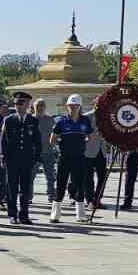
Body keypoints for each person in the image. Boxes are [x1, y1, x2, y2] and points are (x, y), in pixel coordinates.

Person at [50, 94, 94, 223]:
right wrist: (61, 146)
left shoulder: (85, 121)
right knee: (61, 184)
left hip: (79, 157)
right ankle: (55, 215)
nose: (73, 108)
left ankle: (80, 215)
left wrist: (82, 144)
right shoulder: (61, 121)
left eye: (75, 106)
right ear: (67, 107)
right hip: (64, 157)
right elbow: (52, 139)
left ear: (79, 107)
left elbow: (90, 137)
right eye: (70, 106)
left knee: (79, 185)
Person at [0, 91, 42, 224]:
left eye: (21, 103)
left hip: (27, 160)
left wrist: (37, 158)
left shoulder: (33, 120)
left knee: (25, 188)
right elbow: (4, 141)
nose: (18, 106)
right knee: (12, 187)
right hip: (12, 159)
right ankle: (12, 214)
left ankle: (24, 214)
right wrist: (3, 157)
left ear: (27, 105)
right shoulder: (9, 120)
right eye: (16, 104)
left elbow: (37, 141)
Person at [34, 98, 58, 207]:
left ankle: (51, 195)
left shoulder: (50, 119)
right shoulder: (31, 119)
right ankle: (28, 196)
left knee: (50, 176)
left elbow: (55, 135)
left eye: (42, 105)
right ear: (34, 107)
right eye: (38, 105)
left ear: (45, 107)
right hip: (34, 152)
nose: (40, 107)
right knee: (30, 176)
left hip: (48, 151)